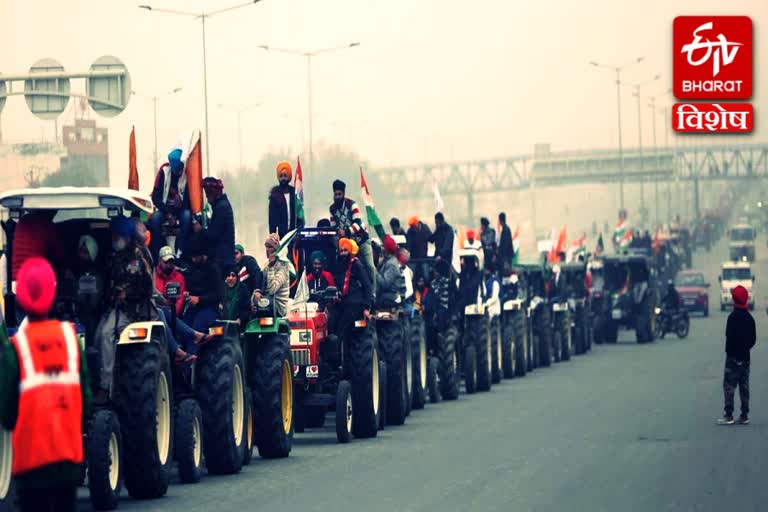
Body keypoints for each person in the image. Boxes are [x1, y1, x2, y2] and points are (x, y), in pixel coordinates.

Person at [0, 258, 91, 512]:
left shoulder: (16, 349)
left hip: (31, 465)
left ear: (21, 299)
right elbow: (86, 401)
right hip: (67, 459)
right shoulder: (71, 340)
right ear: (53, 293)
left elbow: (6, 415)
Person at [94, 216, 155, 402]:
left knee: (106, 334)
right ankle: (101, 380)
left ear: (126, 236)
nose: (115, 240)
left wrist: (126, 293)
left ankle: (106, 388)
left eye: (117, 236)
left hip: (134, 311)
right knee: (97, 336)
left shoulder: (140, 255)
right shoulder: (114, 257)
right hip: (115, 308)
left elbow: (146, 287)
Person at [154, 246, 207, 360]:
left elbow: (179, 300)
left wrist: (173, 312)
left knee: (167, 313)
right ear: (160, 261)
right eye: (166, 262)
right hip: (157, 312)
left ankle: (187, 344)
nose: (169, 265)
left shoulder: (179, 277)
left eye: (172, 262)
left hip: (172, 314)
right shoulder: (152, 276)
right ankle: (192, 336)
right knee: (162, 312)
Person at [329, 179, 376, 296]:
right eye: (335, 194)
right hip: (348, 245)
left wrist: (345, 232)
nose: (337, 197)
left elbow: (358, 223)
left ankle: (373, 293)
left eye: (339, 194)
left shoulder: (352, 204)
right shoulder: (332, 209)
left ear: (343, 194)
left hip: (362, 240)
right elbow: (334, 227)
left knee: (370, 266)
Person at [718, 285, 756, 425]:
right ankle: (744, 415)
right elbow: (753, 339)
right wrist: (744, 351)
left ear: (734, 300)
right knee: (744, 387)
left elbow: (729, 337)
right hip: (745, 359)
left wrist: (734, 355)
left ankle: (729, 416)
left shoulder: (732, 318)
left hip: (733, 359)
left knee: (729, 386)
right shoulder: (750, 319)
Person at [149, 148, 192, 262]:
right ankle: (160, 252)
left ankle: (180, 251)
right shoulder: (163, 172)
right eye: (177, 169)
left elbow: (188, 201)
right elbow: (155, 197)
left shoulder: (187, 175)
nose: (179, 172)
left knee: (187, 217)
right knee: (155, 220)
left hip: (180, 210)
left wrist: (180, 205)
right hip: (165, 210)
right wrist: (168, 213)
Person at [329, 238, 373, 338]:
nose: (343, 253)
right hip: (341, 303)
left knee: (343, 330)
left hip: (355, 304)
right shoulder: (338, 266)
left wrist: (366, 307)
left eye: (345, 250)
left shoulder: (356, 264)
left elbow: (367, 285)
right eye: (341, 251)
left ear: (350, 251)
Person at [182, 236, 223, 335]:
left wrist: (199, 299)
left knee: (198, 325)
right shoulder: (192, 268)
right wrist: (187, 294)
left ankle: (193, 350)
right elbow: (190, 286)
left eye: (195, 257)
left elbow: (218, 295)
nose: (193, 259)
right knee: (183, 325)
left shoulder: (213, 270)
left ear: (202, 255)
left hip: (211, 308)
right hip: (195, 308)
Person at [10, 210, 65, 281]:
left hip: (15, 279)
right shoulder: (47, 225)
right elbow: (60, 254)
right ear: (50, 213)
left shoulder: (22, 221)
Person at [198, 177, 235, 269]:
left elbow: (214, 234)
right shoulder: (221, 205)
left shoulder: (221, 207)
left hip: (222, 260)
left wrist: (200, 230)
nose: (207, 197)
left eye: (208, 194)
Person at [252, 234, 291, 318]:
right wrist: (256, 295)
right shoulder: (266, 264)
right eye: (266, 247)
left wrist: (271, 267)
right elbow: (262, 285)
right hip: (267, 302)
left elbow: (272, 289)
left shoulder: (283, 266)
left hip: (278, 308)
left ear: (276, 250)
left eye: (270, 247)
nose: (267, 250)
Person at [268, 161, 304, 237]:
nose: (283, 178)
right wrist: (273, 238)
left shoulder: (294, 193)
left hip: (294, 234)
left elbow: (300, 215)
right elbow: (272, 221)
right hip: (281, 236)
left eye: (285, 175)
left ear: (289, 176)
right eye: (281, 176)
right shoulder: (274, 195)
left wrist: (299, 231)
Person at [377, 235, 405, 308]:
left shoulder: (391, 264)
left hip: (389, 297)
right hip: (386, 296)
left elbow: (385, 284)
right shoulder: (387, 261)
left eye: (383, 246)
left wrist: (374, 271)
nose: (381, 248)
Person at [406, 216, 432, 282]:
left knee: (426, 276)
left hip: (423, 257)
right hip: (413, 258)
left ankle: (427, 289)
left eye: (413, 226)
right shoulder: (409, 232)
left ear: (417, 224)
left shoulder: (425, 228)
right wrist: (408, 254)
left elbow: (431, 239)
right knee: (411, 275)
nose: (412, 228)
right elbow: (408, 244)